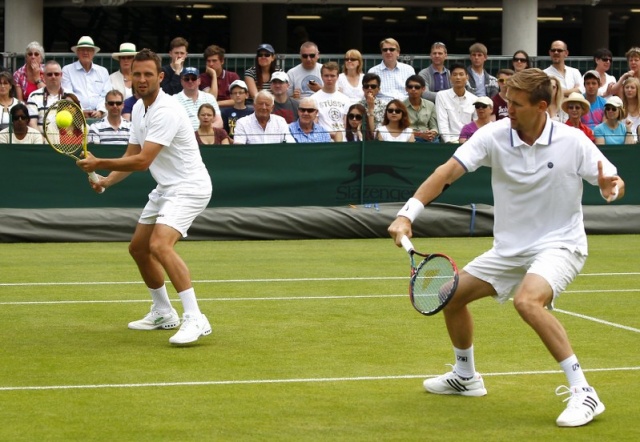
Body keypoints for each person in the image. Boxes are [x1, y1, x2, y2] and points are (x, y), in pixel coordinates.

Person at [388, 68, 624, 428]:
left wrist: (611, 187)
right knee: (450, 297)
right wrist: (408, 214)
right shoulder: (494, 135)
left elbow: (610, 179)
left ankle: (584, 391)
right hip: (509, 249)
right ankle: (466, 377)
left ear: (541, 106)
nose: (506, 109)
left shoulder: (573, 141)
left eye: (515, 104)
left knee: (527, 301)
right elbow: (447, 172)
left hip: (561, 243)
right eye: (506, 101)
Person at [76, 48, 213, 346]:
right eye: (136, 74)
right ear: (130, 77)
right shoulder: (138, 108)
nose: (141, 79)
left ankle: (195, 317)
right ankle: (164, 312)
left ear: (160, 77)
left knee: (159, 245)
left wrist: (99, 162)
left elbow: (142, 162)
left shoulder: (166, 110)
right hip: (166, 187)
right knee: (139, 248)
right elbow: (132, 154)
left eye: (148, 74)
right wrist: (106, 181)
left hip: (190, 186)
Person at [435, 63, 477, 143]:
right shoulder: (441, 95)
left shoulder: (474, 99)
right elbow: (442, 121)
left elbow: (476, 123)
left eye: (461, 74)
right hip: (449, 142)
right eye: (455, 74)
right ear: (450, 77)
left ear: (467, 77)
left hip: (468, 142)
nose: (458, 77)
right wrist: (448, 141)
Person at [368, 38, 415, 102]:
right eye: (385, 50)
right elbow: (370, 93)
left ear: (398, 53)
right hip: (382, 107)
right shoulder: (373, 72)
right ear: (382, 53)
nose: (388, 52)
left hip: (405, 106)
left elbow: (413, 91)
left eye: (391, 49)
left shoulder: (409, 70)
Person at [312, 61, 350, 141]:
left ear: (337, 77)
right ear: (321, 76)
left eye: (332, 76)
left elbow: (346, 124)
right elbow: (314, 125)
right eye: (326, 76)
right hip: (322, 141)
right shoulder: (313, 99)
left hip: (342, 141)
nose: (329, 79)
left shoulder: (345, 99)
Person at [403, 75, 438, 143]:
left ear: (423, 89)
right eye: (410, 87)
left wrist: (432, 133)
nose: (413, 89)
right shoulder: (401, 106)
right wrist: (420, 135)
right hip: (409, 139)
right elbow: (400, 130)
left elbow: (434, 126)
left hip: (428, 138)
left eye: (417, 87)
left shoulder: (430, 105)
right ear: (406, 89)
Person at [621, 77, 640, 141]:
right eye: (627, 87)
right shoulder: (619, 107)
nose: (629, 90)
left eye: (632, 87)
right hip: (624, 142)